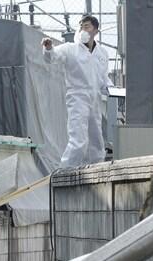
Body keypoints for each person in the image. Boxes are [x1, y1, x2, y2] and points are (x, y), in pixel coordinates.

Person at [42, 15, 111, 168]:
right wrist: (48, 49)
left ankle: (97, 170)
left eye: (87, 26)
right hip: (77, 97)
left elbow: (103, 78)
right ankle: (66, 170)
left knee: (97, 140)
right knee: (79, 139)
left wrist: (112, 89)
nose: (83, 30)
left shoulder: (102, 54)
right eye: (81, 27)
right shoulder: (70, 49)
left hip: (95, 98)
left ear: (96, 31)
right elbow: (52, 57)